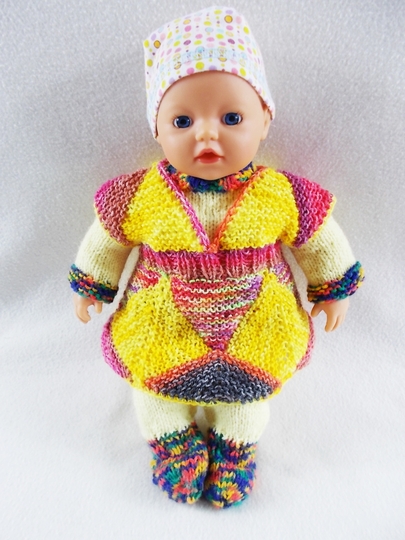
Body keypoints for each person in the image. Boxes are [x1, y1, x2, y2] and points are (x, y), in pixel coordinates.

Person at [69, 6, 364, 508]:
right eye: (182, 120)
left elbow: (320, 239)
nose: (206, 134)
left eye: (231, 118)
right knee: (153, 399)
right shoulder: (136, 195)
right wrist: (91, 284)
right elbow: (106, 242)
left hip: (256, 335)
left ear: (264, 121)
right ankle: (172, 443)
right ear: (158, 130)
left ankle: (235, 449)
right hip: (160, 332)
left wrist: (333, 288)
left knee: (248, 407)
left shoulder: (283, 194)